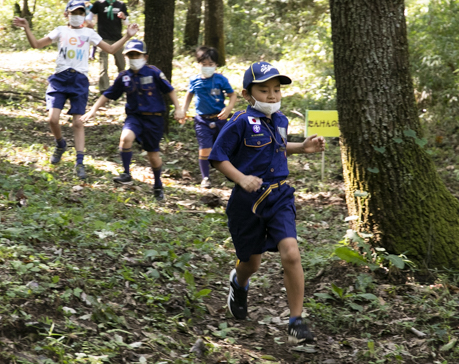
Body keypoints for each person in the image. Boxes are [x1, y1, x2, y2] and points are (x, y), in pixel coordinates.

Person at [208, 62, 325, 342]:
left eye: (276, 90)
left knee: (291, 253)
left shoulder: (281, 120)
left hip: (280, 195)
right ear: (248, 94)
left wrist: (302, 147)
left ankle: (296, 320)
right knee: (251, 263)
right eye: (264, 90)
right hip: (247, 201)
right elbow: (217, 156)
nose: (272, 96)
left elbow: (279, 146)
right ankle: (239, 282)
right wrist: (240, 178)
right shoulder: (239, 122)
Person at [13, 0, 139, 179]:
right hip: (59, 78)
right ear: (67, 14)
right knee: (52, 119)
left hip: (79, 80)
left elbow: (110, 49)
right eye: (74, 13)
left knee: (78, 122)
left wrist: (127, 36)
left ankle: (79, 162)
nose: (77, 16)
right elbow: (36, 44)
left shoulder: (89, 33)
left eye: (81, 13)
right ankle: (60, 144)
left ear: (84, 15)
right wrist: (26, 27)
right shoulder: (60, 30)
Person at [81, 39, 185, 200]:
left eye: (137, 55)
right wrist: (93, 110)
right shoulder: (124, 76)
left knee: (153, 156)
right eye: (130, 55)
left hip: (154, 119)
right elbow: (108, 94)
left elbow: (169, 90)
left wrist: (179, 109)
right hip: (135, 117)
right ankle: (126, 173)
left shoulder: (154, 72)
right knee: (125, 139)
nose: (134, 58)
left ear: (145, 57)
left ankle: (158, 185)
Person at [182, 47, 237, 188]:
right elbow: (189, 95)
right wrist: (183, 110)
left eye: (211, 64)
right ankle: (205, 177)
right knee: (205, 148)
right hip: (202, 120)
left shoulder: (220, 80)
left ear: (216, 65)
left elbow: (232, 95)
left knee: (224, 146)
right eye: (204, 64)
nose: (207, 67)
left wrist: (228, 108)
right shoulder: (194, 80)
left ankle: (230, 173)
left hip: (219, 119)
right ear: (198, 64)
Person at [90, 0, 129, 92]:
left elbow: (127, 23)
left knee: (121, 66)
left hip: (118, 39)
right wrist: (90, 24)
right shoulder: (99, 4)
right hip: (103, 39)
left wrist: (124, 17)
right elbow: (89, 17)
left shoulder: (121, 5)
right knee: (104, 66)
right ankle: (104, 89)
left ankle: (122, 87)